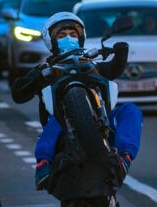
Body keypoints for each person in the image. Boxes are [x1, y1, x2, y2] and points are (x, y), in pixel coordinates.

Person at [11, 12, 141, 190]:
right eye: (62, 35)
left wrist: (120, 54)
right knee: (56, 119)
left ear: (81, 38)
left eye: (73, 34)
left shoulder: (91, 64)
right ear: (51, 40)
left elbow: (112, 68)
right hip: (62, 133)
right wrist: (36, 77)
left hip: (102, 125)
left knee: (131, 110)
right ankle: (43, 165)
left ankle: (124, 158)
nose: (68, 38)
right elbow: (18, 93)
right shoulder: (45, 69)